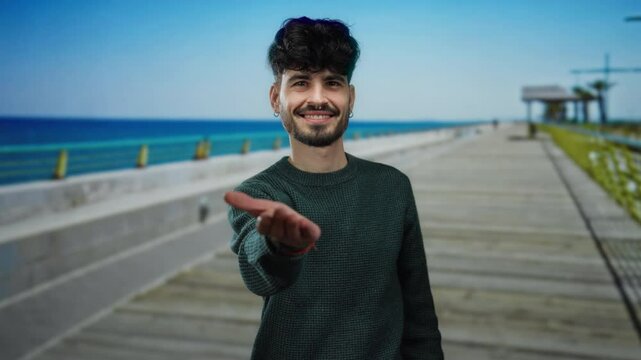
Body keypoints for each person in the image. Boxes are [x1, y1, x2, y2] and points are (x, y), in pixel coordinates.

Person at [224, 16, 443, 360]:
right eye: (300, 83)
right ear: (274, 98)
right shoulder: (258, 194)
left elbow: (420, 315)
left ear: (350, 98)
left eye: (332, 83)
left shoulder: (392, 186)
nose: (317, 98)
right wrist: (279, 245)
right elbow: (260, 275)